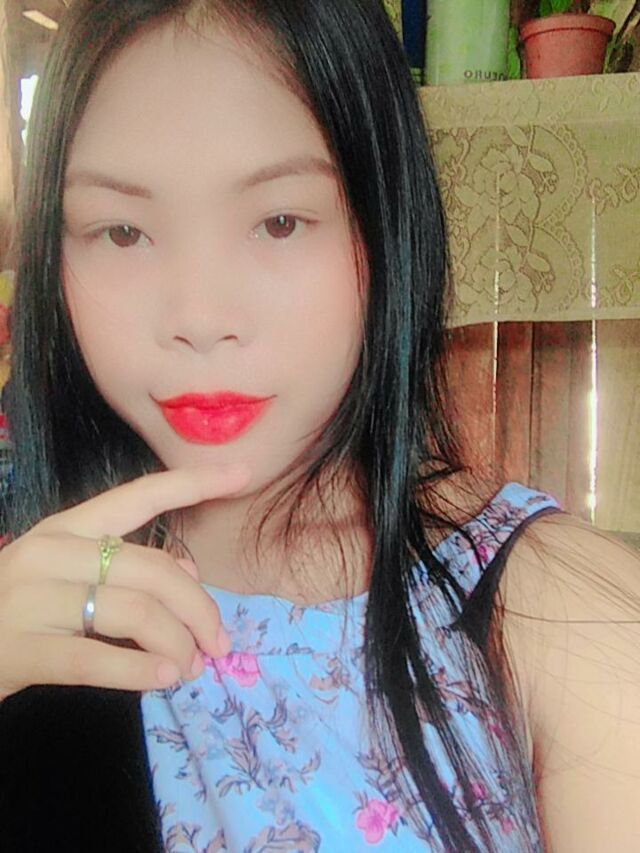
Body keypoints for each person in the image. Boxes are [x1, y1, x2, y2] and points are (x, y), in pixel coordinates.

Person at [0, 1, 638, 850]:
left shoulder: (559, 613)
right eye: (122, 231)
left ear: (383, 222)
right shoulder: (23, 600)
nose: (199, 317)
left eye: (279, 222)